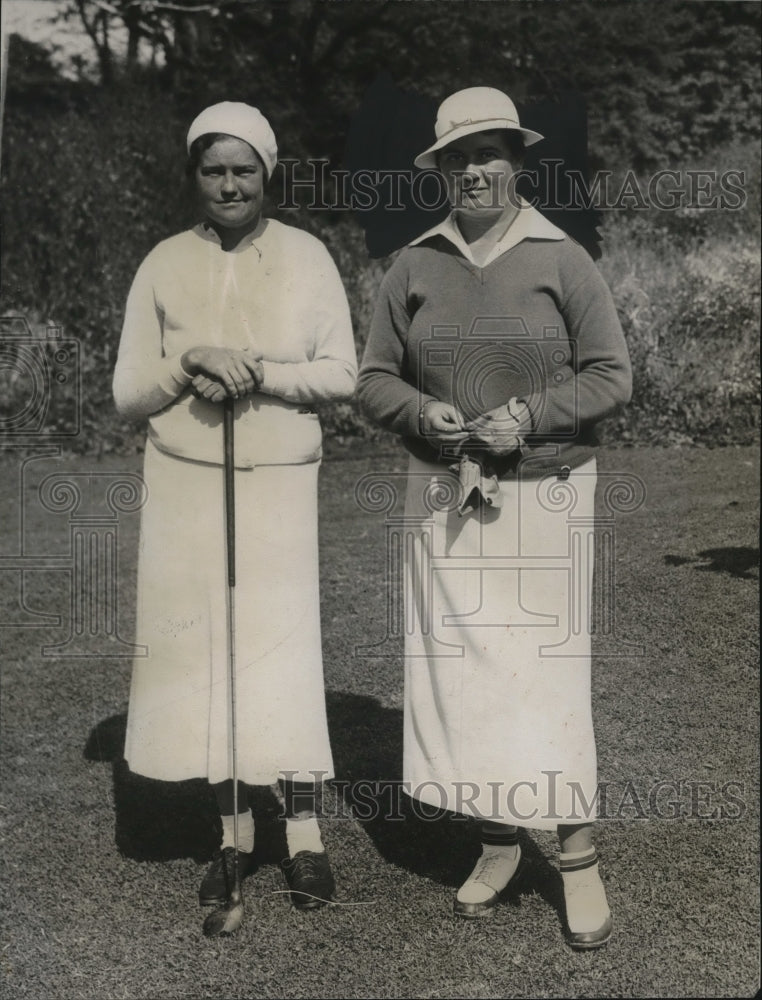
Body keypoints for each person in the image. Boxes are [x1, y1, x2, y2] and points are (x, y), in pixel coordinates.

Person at [356, 87, 632, 949]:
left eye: (492, 153)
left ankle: (577, 859)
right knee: (463, 677)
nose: (475, 171)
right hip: (442, 495)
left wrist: (532, 415)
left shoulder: (564, 256)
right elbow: (372, 379)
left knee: (541, 674)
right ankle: (499, 839)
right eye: (459, 157)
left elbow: (611, 377)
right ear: (438, 169)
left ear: (518, 161)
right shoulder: (413, 264)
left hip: (544, 492)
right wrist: (418, 414)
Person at [113, 101, 357, 919]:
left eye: (243, 169)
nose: (228, 184)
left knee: (279, 654)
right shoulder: (161, 263)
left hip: (277, 482)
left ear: (268, 175)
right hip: (183, 484)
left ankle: (305, 841)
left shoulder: (308, 256)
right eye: (213, 169)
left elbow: (341, 374)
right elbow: (125, 392)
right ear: (194, 177)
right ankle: (233, 836)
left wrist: (256, 370)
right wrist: (187, 362)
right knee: (210, 655)